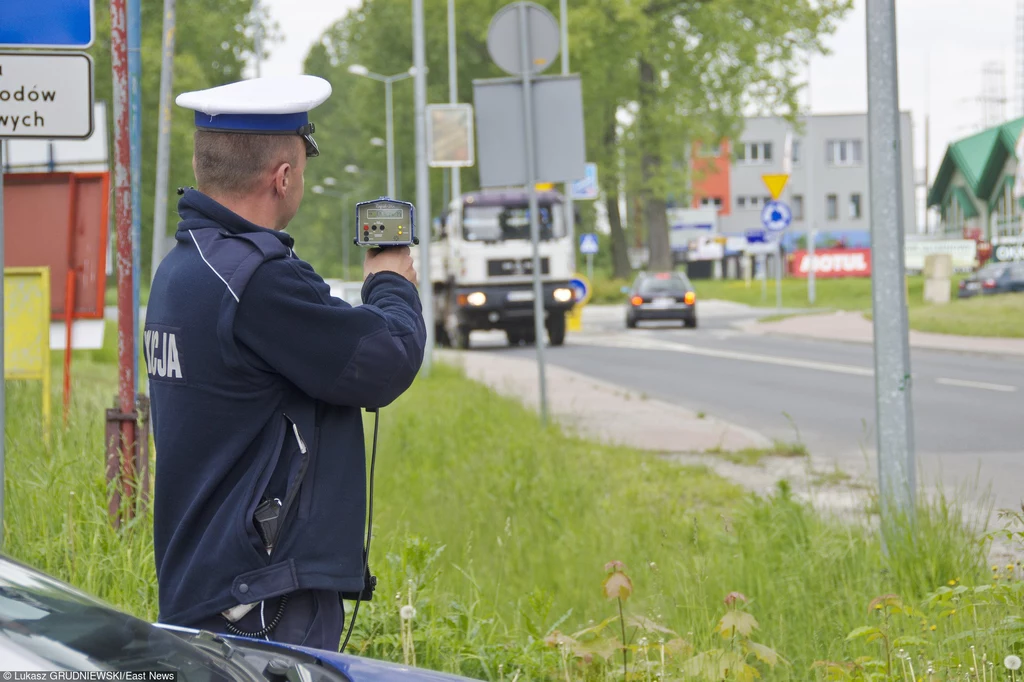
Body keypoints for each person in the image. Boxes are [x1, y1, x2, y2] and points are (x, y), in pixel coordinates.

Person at [144, 74, 426, 650]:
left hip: (207, 580)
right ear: (283, 176)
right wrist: (391, 282)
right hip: (259, 599)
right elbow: (386, 359)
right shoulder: (258, 280)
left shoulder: (183, 267)